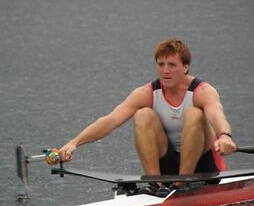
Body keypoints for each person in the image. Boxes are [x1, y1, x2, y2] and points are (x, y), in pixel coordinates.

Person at [55, 38, 237, 196]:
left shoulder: (203, 91)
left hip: (204, 166)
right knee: (142, 114)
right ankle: (156, 184)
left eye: (172, 65)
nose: (165, 70)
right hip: (168, 167)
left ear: (185, 67)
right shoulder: (146, 93)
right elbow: (110, 120)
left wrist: (225, 136)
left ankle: (182, 183)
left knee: (195, 113)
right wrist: (74, 142)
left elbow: (216, 114)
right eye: (161, 64)